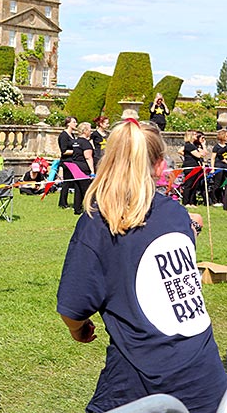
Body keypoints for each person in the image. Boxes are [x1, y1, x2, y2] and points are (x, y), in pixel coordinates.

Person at [57, 119, 227, 413]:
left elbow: (72, 308)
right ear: (160, 166)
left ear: (106, 161)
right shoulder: (176, 213)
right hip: (208, 379)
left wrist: (78, 329)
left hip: (146, 384)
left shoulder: (98, 223)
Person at [70, 122, 95, 215]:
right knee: (87, 189)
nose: (90, 132)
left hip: (75, 166)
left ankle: (77, 208)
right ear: (85, 131)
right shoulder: (85, 143)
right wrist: (92, 171)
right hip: (83, 168)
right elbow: (88, 157)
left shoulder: (75, 142)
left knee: (78, 188)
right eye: (89, 130)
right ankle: (89, 209)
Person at [181, 130, 207, 207]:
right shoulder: (189, 145)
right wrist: (200, 153)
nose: (196, 136)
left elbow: (204, 153)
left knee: (195, 185)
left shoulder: (194, 145)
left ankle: (192, 202)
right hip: (190, 167)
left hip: (196, 167)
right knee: (189, 185)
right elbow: (198, 155)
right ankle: (186, 202)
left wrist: (203, 145)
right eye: (194, 134)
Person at [57, 116, 77, 209]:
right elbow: (64, 151)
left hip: (73, 161)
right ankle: (63, 203)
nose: (76, 124)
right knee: (66, 182)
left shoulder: (72, 135)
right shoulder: (64, 135)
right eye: (74, 122)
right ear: (68, 123)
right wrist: (76, 151)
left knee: (72, 182)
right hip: (66, 161)